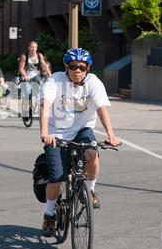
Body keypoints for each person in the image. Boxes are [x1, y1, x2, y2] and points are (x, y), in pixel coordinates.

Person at [39, 48, 120, 237]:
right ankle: (50, 213)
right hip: (56, 133)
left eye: (82, 68)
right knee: (56, 178)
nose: (78, 71)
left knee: (92, 154)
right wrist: (44, 132)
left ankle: (90, 191)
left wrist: (111, 134)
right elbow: (45, 104)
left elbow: (101, 109)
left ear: (87, 68)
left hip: (82, 129)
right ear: (66, 67)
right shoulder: (55, 81)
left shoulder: (93, 82)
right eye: (73, 67)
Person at [18, 40, 51, 118]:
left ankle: (40, 101)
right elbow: (21, 68)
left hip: (35, 75)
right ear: (29, 48)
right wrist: (25, 76)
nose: (34, 49)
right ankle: (25, 111)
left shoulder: (39, 55)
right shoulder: (25, 56)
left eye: (35, 47)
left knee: (42, 86)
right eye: (32, 47)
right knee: (27, 94)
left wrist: (50, 75)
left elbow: (45, 66)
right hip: (26, 75)